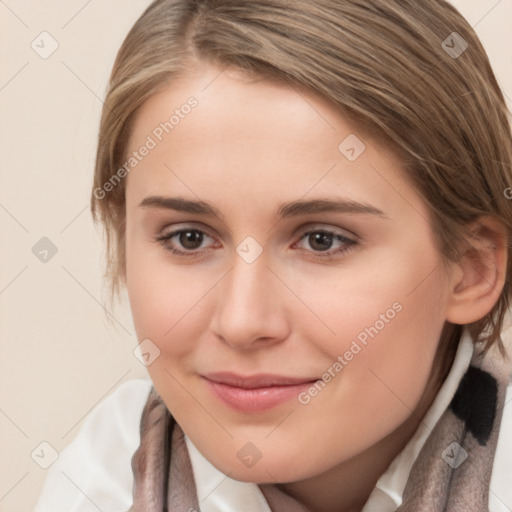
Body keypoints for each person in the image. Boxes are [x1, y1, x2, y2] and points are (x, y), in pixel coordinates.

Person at [34, 0, 512, 511]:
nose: (242, 322)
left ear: (471, 268)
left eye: (322, 240)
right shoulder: (100, 478)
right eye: (189, 238)